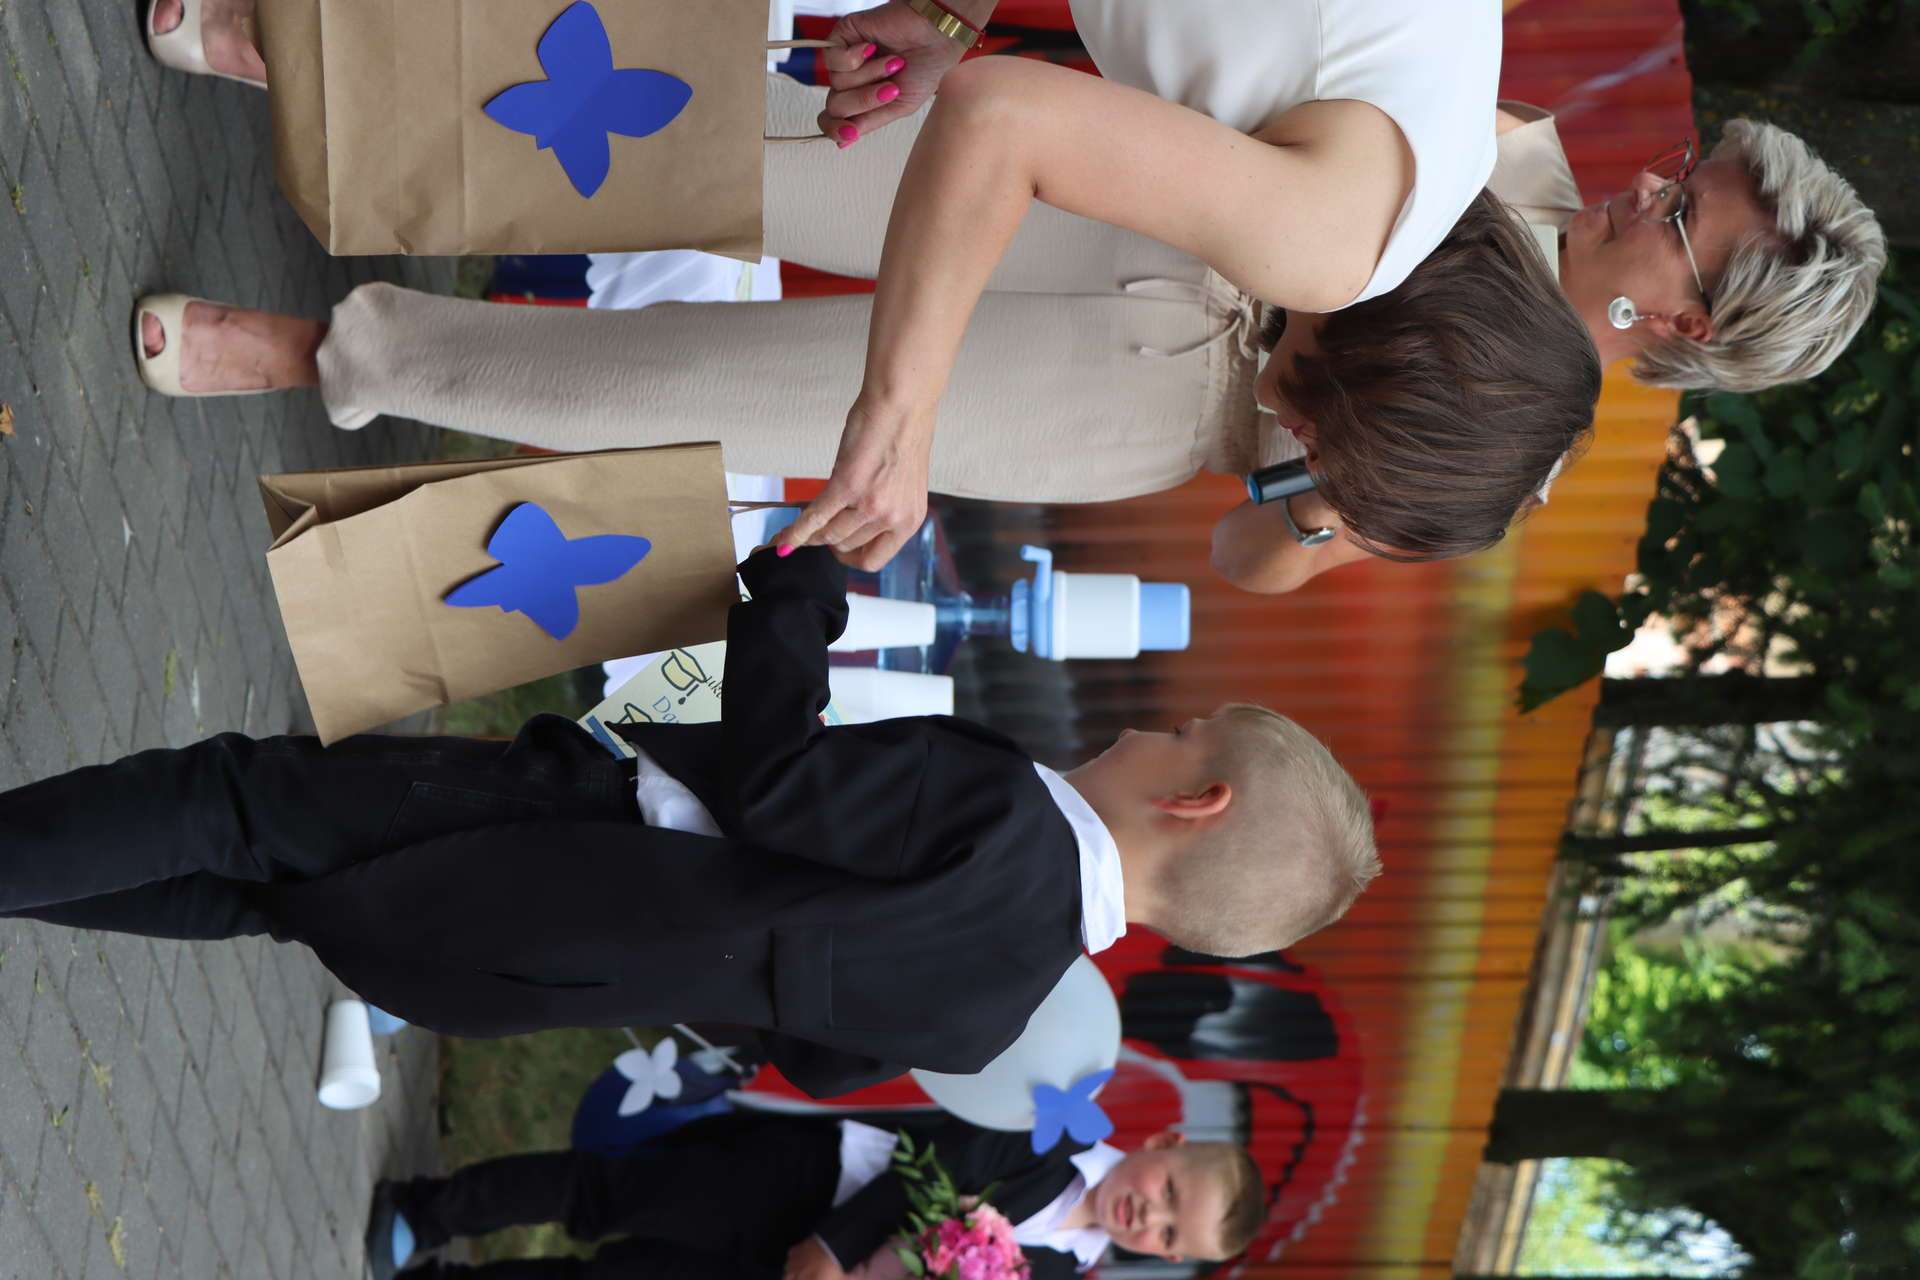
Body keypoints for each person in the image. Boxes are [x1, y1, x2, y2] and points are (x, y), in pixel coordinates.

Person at [134, 0, 1601, 586]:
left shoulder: (1423, 198)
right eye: (1325, 438)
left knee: (723, 396)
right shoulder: (1357, 228)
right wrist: (899, 416)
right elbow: (1005, 116)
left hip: (1140, 371)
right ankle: (337, 68)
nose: (1298, 432)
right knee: (728, 128)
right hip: (1127, 191)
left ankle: (344, 350)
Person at [0, 546, 1379, 1098]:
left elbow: (775, 774)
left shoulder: (1008, 815)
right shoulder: (995, 1011)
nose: (1152, 727)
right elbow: (818, 1062)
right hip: (532, 974)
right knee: (260, 891)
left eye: (1184, 732)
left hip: (538, 835)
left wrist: (803, 600)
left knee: (229, 798)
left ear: (1195, 799)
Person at [360, 1113, 1264, 1279]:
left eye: (1170, 1234)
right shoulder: (1056, 1131)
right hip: (809, 1182)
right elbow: (940, 1161)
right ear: (1164, 1145)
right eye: (1169, 1191)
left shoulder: (1060, 1274)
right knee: (611, 1197)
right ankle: (425, 1209)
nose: (1150, 1216)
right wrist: (832, 1247)